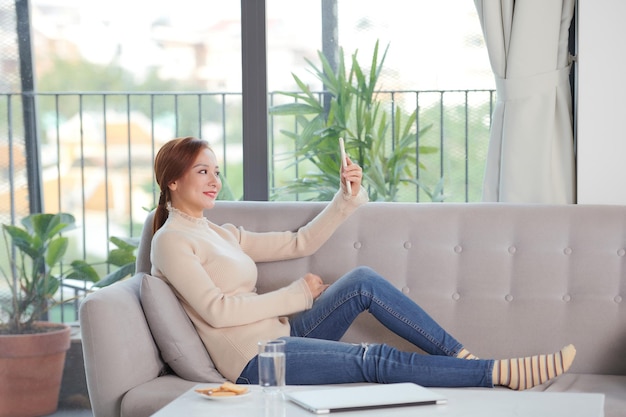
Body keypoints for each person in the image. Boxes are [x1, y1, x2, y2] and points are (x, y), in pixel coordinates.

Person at [150, 136, 576, 391]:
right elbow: (217, 311)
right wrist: (294, 295)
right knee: (371, 359)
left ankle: (460, 359)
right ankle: (497, 373)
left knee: (362, 282)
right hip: (254, 361)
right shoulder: (171, 241)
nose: (215, 181)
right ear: (173, 179)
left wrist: (346, 197)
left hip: (282, 336)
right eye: (203, 171)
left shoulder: (219, 232)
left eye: (216, 172)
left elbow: (299, 242)